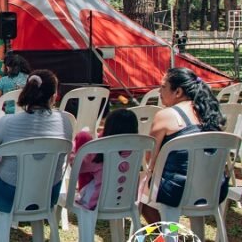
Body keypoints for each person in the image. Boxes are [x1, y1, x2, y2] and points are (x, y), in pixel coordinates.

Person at [0, 70, 73, 213]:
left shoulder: (7, 122)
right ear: (54, 96)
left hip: (9, 198)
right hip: (48, 195)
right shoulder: (65, 121)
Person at [141, 67, 228, 223]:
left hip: (176, 192)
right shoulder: (210, 113)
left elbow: (150, 160)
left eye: (163, 87)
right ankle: (177, 232)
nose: (159, 91)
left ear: (178, 92)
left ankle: (170, 233)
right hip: (214, 190)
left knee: (139, 193)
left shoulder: (166, 115)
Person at [72, 109, 138, 210]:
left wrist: (73, 150)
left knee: (83, 136)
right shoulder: (136, 151)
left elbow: (78, 167)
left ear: (108, 129)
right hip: (126, 200)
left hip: (97, 202)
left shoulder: (100, 152)